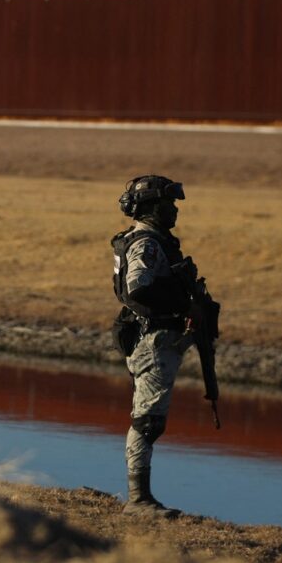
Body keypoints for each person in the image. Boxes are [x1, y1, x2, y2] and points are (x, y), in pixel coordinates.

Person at [110, 175, 200, 517]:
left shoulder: (151, 240)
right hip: (153, 341)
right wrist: (181, 306)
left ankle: (141, 497)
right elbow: (138, 288)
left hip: (156, 338)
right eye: (168, 204)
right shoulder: (146, 243)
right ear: (151, 207)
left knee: (149, 419)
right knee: (147, 421)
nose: (174, 210)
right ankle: (139, 501)